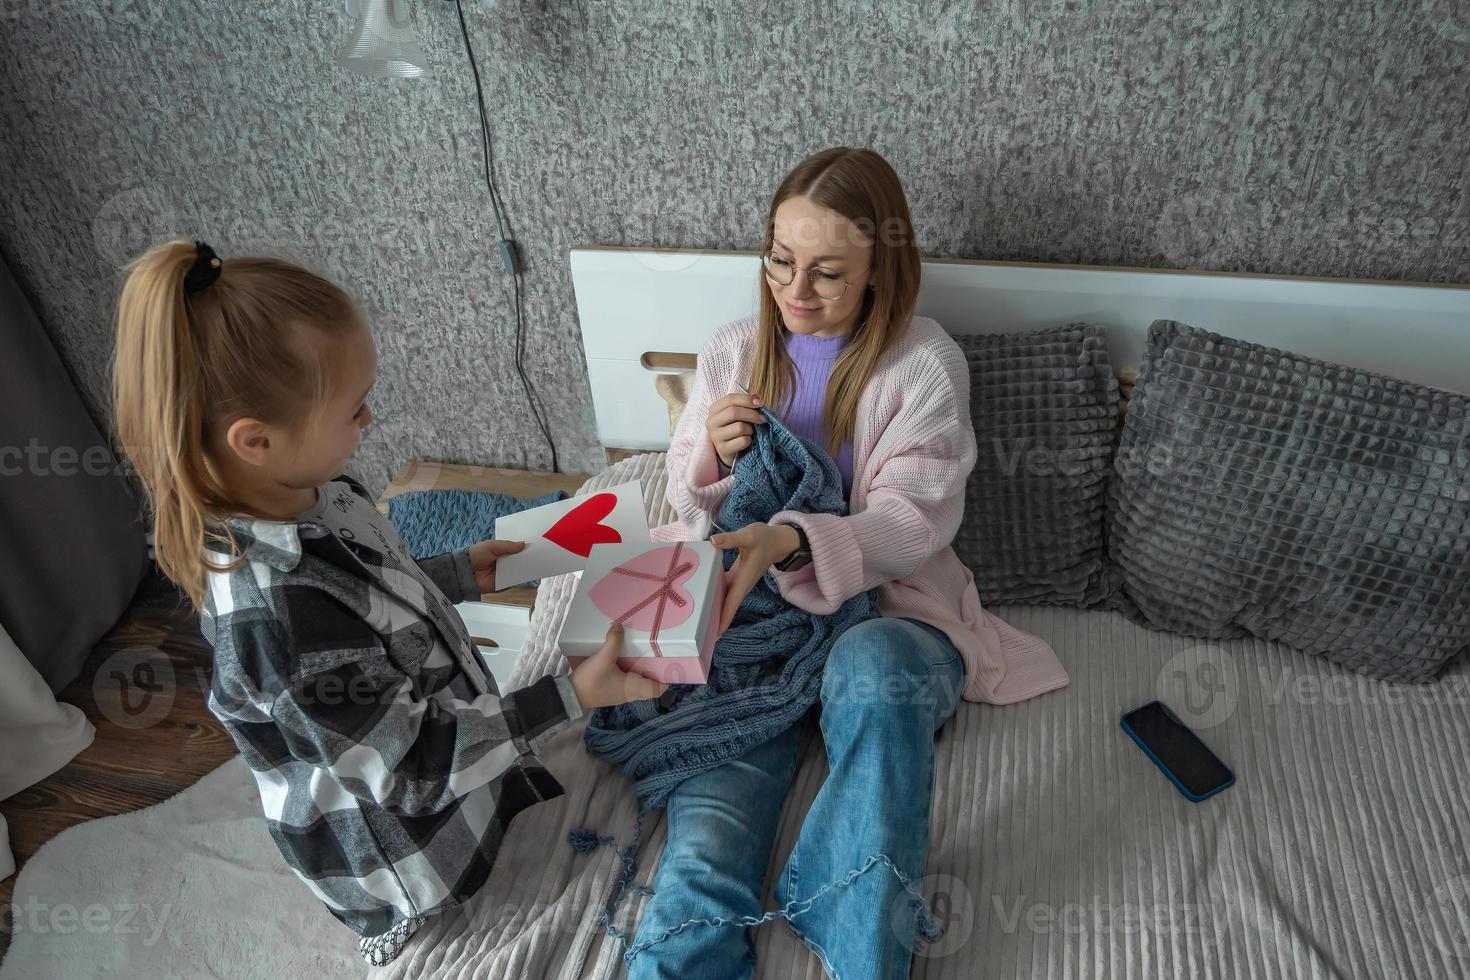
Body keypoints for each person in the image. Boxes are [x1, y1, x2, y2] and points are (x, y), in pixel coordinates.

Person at [110, 239, 666, 967]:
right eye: (354, 407)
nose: (369, 420)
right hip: (414, 857)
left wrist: (461, 574)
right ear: (257, 440)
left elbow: (372, 598)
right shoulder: (276, 619)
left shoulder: (317, 489)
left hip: (441, 760)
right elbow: (411, 768)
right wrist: (570, 694)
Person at [635, 147, 1069, 979]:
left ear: (880, 271)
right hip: (754, 630)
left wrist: (790, 541)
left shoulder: (924, 363)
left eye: (828, 273)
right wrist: (709, 465)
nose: (795, 291)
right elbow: (686, 513)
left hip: (893, 612)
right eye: (781, 261)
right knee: (707, 845)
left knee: (877, 671)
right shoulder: (731, 352)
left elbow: (915, 520)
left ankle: (861, 941)